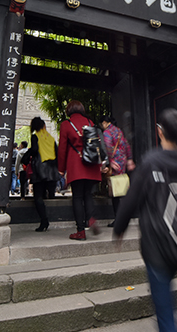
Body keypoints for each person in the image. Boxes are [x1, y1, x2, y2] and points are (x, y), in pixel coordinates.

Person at [113, 108, 177, 332]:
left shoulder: (151, 161)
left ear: (160, 132)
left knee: (166, 314)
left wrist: (119, 229)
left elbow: (132, 199)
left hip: (157, 244)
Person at [58, 100, 103, 240]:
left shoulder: (66, 124)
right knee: (87, 194)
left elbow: (63, 148)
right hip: (91, 164)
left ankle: (80, 231)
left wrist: (61, 169)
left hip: (76, 164)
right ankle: (91, 218)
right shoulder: (90, 122)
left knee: (77, 196)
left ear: (69, 110)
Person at [25, 117, 60, 232]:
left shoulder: (35, 136)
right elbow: (57, 151)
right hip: (52, 170)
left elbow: (34, 150)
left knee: (38, 196)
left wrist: (28, 154)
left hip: (40, 170)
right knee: (50, 195)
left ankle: (44, 221)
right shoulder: (50, 138)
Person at [100, 115, 133, 227]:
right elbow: (126, 145)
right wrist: (129, 159)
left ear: (104, 122)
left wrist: (111, 161)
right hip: (122, 161)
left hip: (115, 164)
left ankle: (118, 219)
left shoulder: (107, 132)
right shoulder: (119, 131)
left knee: (115, 193)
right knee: (121, 192)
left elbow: (108, 147)